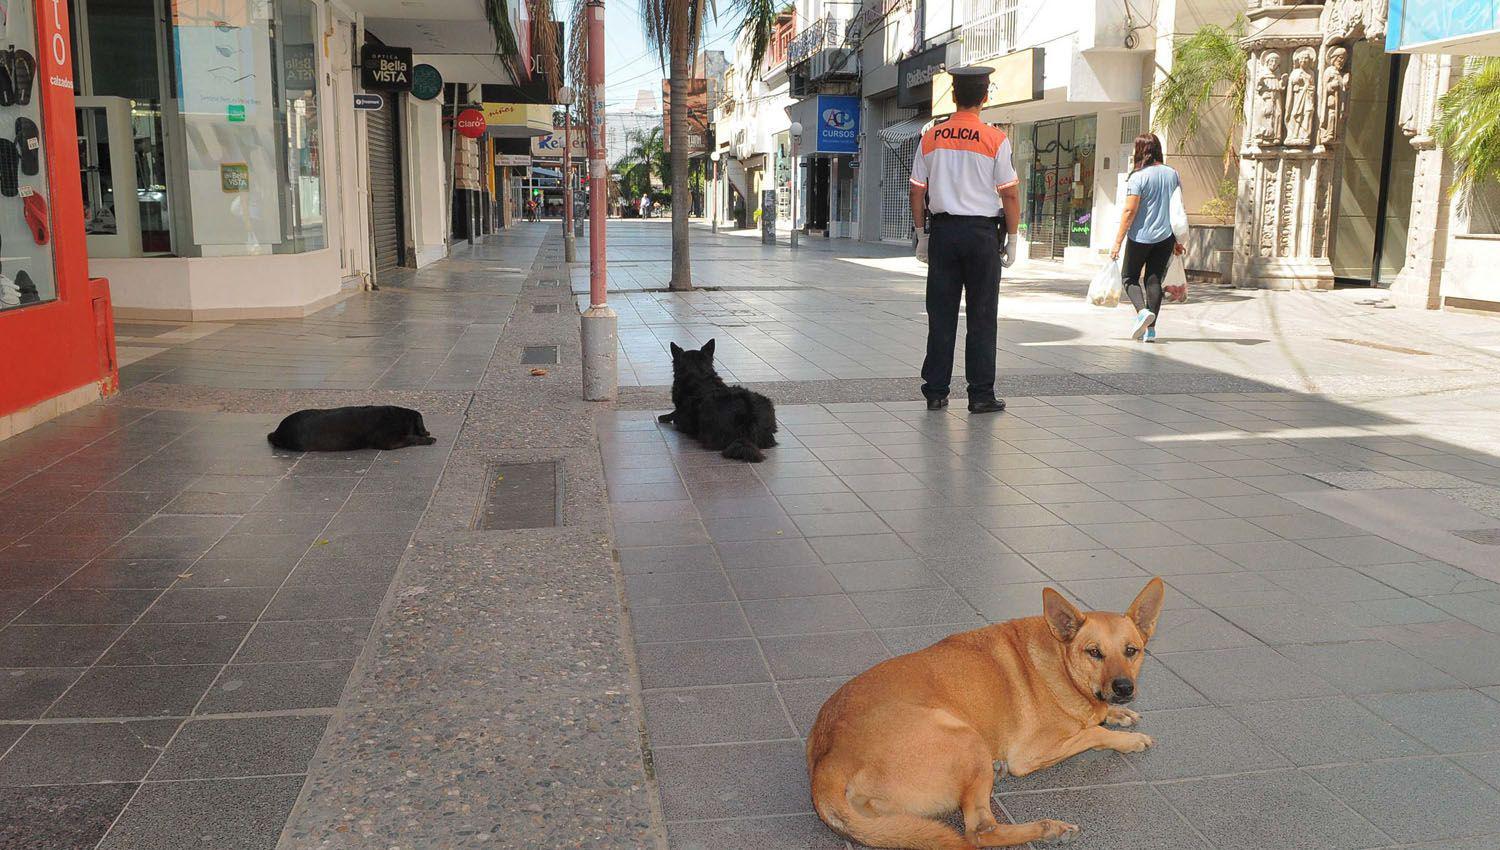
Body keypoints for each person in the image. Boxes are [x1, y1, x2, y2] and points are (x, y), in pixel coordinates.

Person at [910, 66, 1020, 415]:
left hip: (943, 234)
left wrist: (921, 235)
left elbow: (917, 190)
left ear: (953, 96)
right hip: (982, 236)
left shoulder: (931, 136)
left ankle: (936, 391)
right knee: (982, 316)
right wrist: (1013, 237)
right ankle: (981, 395)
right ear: (985, 98)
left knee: (940, 315)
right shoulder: (995, 139)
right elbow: (1010, 194)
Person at [1109, 133, 1185, 343]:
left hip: (1140, 237)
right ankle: (1150, 331)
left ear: (1140, 150)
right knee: (1153, 280)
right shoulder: (1173, 174)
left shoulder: (1138, 176)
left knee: (1129, 278)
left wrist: (1118, 241)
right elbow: (1178, 208)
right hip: (1166, 237)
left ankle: (1142, 312)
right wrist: (1178, 241)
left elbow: (1129, 211)